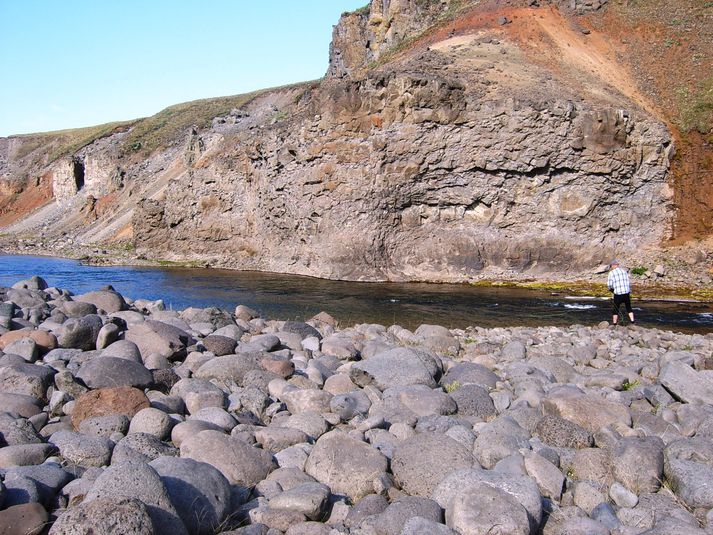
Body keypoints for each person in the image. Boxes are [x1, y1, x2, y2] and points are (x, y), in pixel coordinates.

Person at [607, 260, 635, 325]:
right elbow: (628, 282)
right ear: (618, 265)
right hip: (626, 293)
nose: (611, 267)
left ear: (614, 265)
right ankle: (633, 321)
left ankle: (614, 323)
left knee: (615, 309)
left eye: (611, 266)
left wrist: (611, 290)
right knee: (629, 307)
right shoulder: (624, 271)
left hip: (618, 294)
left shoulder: (611, 273)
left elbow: (609, 285)